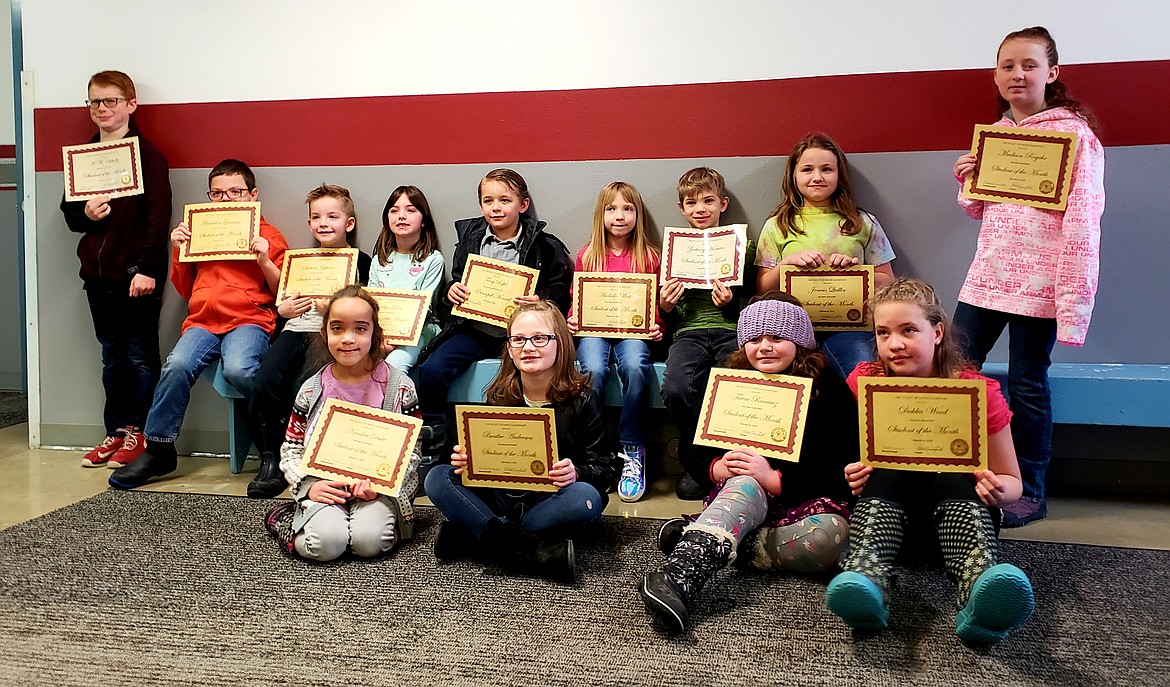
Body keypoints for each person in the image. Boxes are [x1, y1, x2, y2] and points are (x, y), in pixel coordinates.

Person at [824, 278, 1035, 646]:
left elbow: (1014, 481)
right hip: (892, 526)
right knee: (885, 469)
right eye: (883, 333)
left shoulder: (978, 393)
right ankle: (867, 579)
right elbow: (842, 460)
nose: (895, 344)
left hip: (957, 523)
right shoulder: (864, 384)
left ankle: (979, 585)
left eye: (909, 330)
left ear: (937, 332)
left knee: (954, 474)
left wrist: (1000, 490)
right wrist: (852, 473)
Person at [952, 27, 1105, 527]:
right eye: (1007, 66)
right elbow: (979, 210)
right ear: (995, 76)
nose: (1018, 74)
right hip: (987, 275)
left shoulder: (1076, 135)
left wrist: (1073, 301)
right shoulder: (995, 135)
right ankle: (956, 473)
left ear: (1052, 74)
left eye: (1029, 65)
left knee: (1027, 384)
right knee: (955, 370)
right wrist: (969, 178)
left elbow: (1084, 220)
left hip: (1040, 285)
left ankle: (1028, 490)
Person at [639, 294, 855, 634]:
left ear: (800, 342)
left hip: (805, 502)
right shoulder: (729, 380)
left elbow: (840, 464)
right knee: (744, 482)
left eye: (777, 338)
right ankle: (678, 574)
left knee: (833, 538)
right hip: (743, 497)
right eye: (754, 339)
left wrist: (778, 479)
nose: (764, 347)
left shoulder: (828, 389)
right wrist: (715, 468)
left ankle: (712, 540)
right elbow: (692, 446)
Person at [109, 159, 289, 490]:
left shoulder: (269, 235)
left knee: (240, 369)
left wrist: (262, 258)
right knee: (175, 365)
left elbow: (282, 294)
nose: (226, 199)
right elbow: (184, 287)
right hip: (203, 320)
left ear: (252, 195)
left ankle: (273, 450)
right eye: (217, 193)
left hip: (249, 320)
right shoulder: (200, 233)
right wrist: (177, 249)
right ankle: (160, 449)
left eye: (236, 192)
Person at [424, 300, 620, 583]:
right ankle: (530, 549)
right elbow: (473, 464)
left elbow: (604, 470)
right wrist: (465, 462)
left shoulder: (583, 400)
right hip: (503, 496)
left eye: (539, 338)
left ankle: (476, 536)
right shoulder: (498, 397)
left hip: (551, 499)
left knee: (585, 498)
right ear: (509, 348)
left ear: (560, 344)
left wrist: (576, 472)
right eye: (518, 340)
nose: (528, 347)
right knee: (437, 478)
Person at [415, 169, 573, 479]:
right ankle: (434, 442)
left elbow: (560, 287)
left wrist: (540, 299)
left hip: (520, 334)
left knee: (525, 381)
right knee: (431, 370)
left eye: (505, 200)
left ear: (522, 205)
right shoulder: (470, 239)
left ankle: (533, 453)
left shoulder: (544, 243)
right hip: (474, 328)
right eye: (488, 201)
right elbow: (458, 282)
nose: (496, 207)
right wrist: (452, 290)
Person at [60, 70, 172, 469]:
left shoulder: (149, 155)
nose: (101, 109)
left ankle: (138, 431)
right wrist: (85, 212)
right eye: (94, 102)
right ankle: (115, 432)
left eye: (109, 101)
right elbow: (70, 215)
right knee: (112, 358)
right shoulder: (84, 155)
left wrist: (148, 270)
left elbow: (159, 220)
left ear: (130, 104)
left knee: (141, 357)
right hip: (97, 278)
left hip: (136, 277)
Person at [270, 286, 421, 561]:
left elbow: (412, 451)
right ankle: (286, 520)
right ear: (324, 333)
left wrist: (381, 485)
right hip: (325, 485)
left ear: (375, 333)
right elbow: (291, 449)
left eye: (360, 329)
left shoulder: (400, 387)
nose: (348, 339)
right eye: (338, 329)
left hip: (376, 490)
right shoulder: (311, 390)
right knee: (325, 546)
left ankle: (370, 522)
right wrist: (309, 485)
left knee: (370, 543)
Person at [246, 184, 371, 499]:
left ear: (349, 223)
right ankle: (271, 460)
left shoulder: (361, 261)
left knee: (303, 388)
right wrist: (283, 309)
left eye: (332, 216)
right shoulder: (298, 260)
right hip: (295, 330)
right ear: (309, 224)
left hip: (329, 336)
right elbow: (283, 298)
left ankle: (308, 461)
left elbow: (366, 309)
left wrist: (333, 308)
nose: (324, 223)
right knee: (263, 382)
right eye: (316, 217)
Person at [755, 132, 896, 380]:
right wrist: (786, 265)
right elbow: (763, 288)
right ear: (793, 176)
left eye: (827, 169)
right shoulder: (777, 225)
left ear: (839, 174)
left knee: (863, 374)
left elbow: (889, 282)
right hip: (789, 329)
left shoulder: (862, 222)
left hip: (851, 327)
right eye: (807, 169)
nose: (817, 177)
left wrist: (856, 272)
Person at [660, 167, 755, 500]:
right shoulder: (670, 250)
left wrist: (730, 302)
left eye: (708, 200)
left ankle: (732, 462)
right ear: (682, 210)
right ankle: (695, 459)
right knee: (675, 389)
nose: (700, 208)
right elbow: (666, 316)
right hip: (689, 333)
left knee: (734, 387)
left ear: (723, 203)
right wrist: (666, 306)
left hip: (732, 329)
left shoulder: (743, 247)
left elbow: (751, 301)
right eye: (691, 202)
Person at [567, 182, 663, 502]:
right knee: (591, 369)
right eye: (611, 209)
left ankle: (632, 448)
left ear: (638, 215)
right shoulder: (587, 255)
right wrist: (573, 320)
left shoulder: (649, 257)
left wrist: (656, 326)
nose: (619, 216)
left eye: (627, 209)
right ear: (601, 215)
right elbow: (575, 301)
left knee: (636, 366)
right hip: (594, 330)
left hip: (633, 334)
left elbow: (657, 307)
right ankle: (597, 452)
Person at [367, 185, 445, 374]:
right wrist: (380, 337)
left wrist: (395, 338)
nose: (401, 216)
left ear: (424, 220)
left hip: (419, 332)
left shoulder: (433, 259)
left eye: (410, 210)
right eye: (394, 210)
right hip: (380, 333)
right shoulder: (379, 259)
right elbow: (370, 303)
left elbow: (424, 308)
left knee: (393, 367)